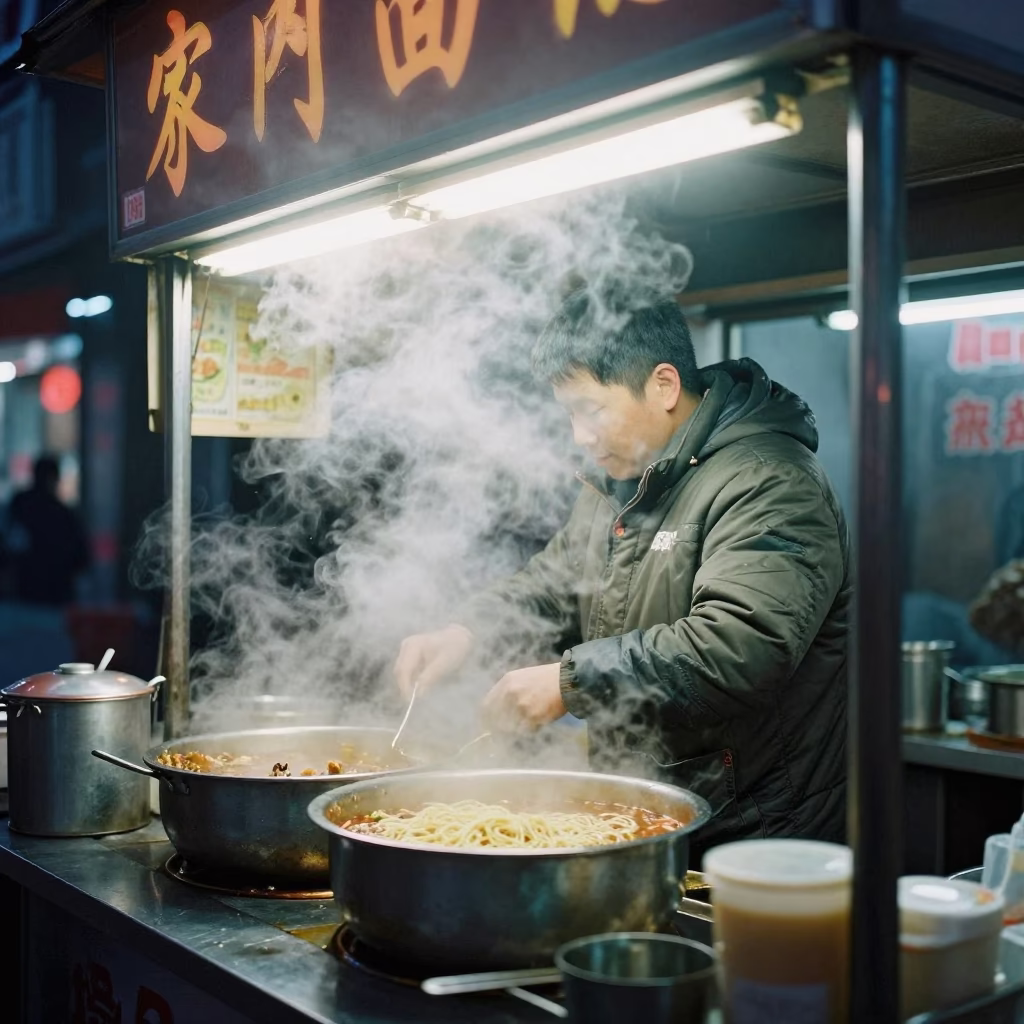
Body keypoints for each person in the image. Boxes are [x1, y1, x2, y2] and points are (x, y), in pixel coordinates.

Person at [394, 286, 850, 856]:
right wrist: (465, 632)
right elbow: (552, 586)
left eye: (591, 411)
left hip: (750, 840)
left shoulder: (770, 481)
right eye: (568, 414)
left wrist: (570, 684)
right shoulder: (623, 483)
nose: (579, 437)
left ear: (663, 385)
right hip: (640, 817)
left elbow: (742, 645)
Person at [5, 455, 89, 606]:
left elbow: (9, 545)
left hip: (23, 595)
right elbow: (81, 559)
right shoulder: (64, 515)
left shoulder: (20, 505)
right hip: (55, 597)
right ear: (55, 479)